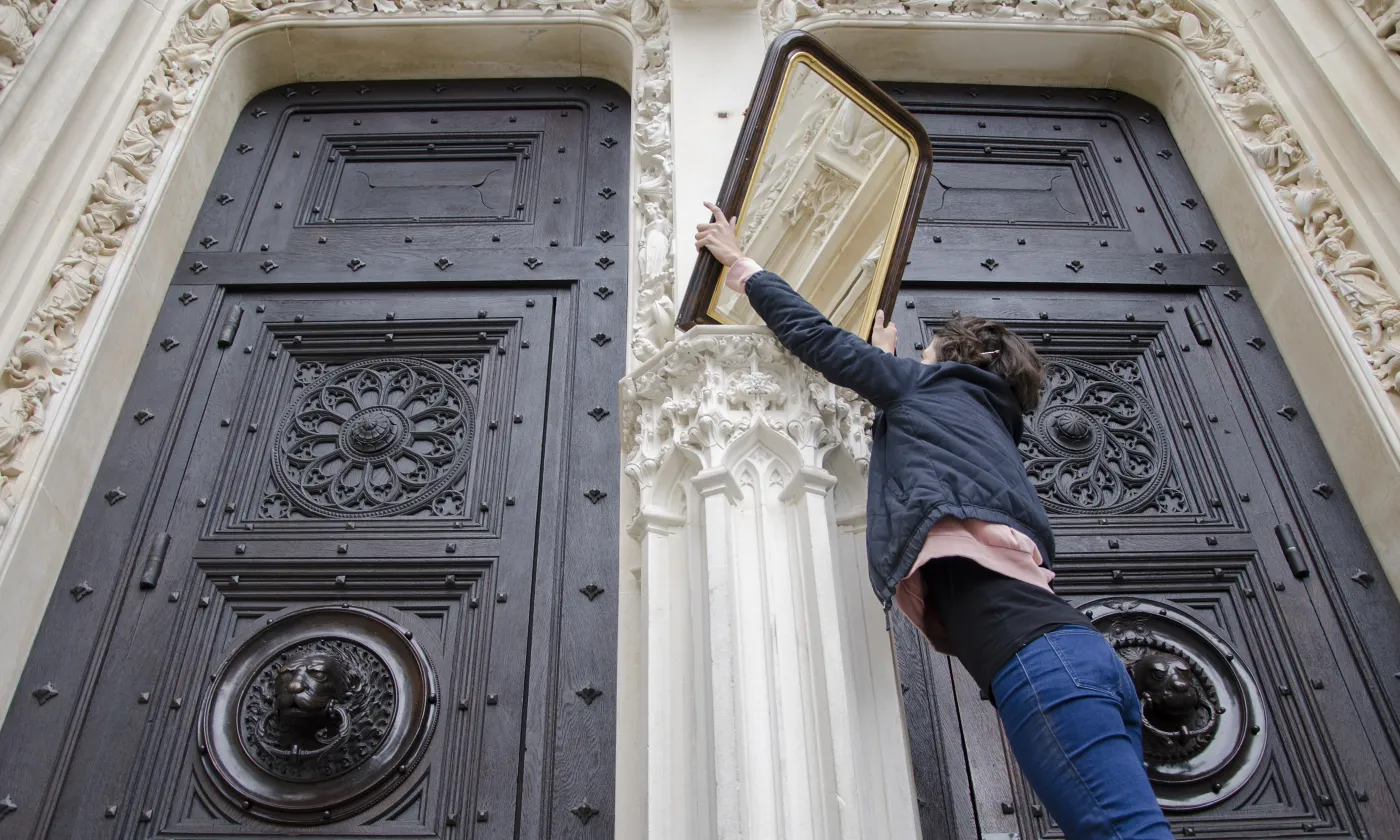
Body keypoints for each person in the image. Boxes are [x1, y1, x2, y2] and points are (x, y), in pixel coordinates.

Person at [696, 202, 1173, 840]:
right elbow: (922, 456)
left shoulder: (932, 389)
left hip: (1043, 661)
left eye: (927, 352)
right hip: (1082, 657)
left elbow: (820, 340)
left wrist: (741, 265)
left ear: (955, 358)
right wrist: (892, 372)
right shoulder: (989, 427)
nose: (918, 359)